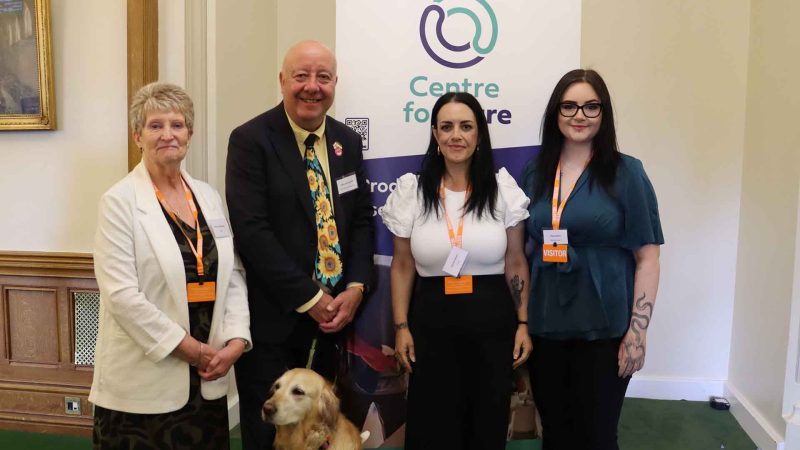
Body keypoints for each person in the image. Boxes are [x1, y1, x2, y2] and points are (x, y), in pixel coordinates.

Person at [226, 40, 374, 450]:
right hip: (274, 320)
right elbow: (251, 230)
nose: (312, 86)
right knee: (269, 434)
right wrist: (312, 297)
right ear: (282, 81)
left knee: (321, 433)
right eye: (301, 76)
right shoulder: (251, 140)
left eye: (323, 77)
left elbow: (360, 221)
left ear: (335, 83)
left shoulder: (347, 141)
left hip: (335, 323)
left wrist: (355, 288)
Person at [90, 82, 252, 449]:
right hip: (145, 386)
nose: (168, 134)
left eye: (177, 125)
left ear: (190, 134)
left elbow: (234, 275)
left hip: (208, 377)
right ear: (137, 136)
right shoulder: (119, 201)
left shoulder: (208, 197)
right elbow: (121, 296)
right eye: (155, 125)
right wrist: (191, 350)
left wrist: (237, 340)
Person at [381, 92, 532, 450]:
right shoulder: (412, 191)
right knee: (432, 424)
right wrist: (401, 327)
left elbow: (515, 261)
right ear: (435, 134)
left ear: (480, 134)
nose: (456, 135)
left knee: (486, 421)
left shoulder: (502, 191)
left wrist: (523, 323)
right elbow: (402, 265)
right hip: (431, 326)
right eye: (446, 127)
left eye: (466, 126)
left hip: (492, 325)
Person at [523, 69, 664, 450]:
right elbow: (519, 251)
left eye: (591, 106)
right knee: (555, 431)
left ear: (604, 114)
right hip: (546, 321)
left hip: (604, 327)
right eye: (569, 105)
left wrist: (637, 333)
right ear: (556, 112)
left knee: (597, 435)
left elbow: (648, 257)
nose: (579, 115)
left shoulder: (627, 172)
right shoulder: (535, 172)